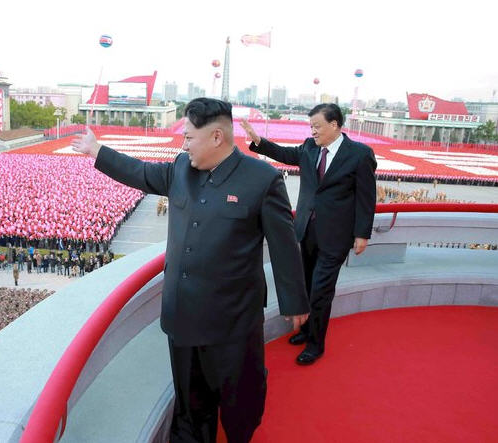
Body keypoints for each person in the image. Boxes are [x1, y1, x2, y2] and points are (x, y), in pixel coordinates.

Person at [72, 97, 309, 443]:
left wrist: (294, 301)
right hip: (183, 315)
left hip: (233, 321)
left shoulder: (262, 179)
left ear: (216, 137)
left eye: (189, 137)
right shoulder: (181, 168)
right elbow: (140, 172)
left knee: (240, 402)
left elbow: (284, 245)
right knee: (190, 403)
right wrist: (97, 151)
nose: (183, 145)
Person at [241, 103, 377, 365]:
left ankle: (315, 344)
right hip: (306, 230)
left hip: (336, 236)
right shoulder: (309, 147)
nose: (312, 131)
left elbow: (366, 197)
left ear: (334, 125)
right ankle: (304, 331)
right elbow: (285, 154)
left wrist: (362, 234)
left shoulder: (360, 154)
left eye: (317, 126)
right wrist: (258, 141)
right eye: (311, 126)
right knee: (304, 285)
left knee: (321, 291)